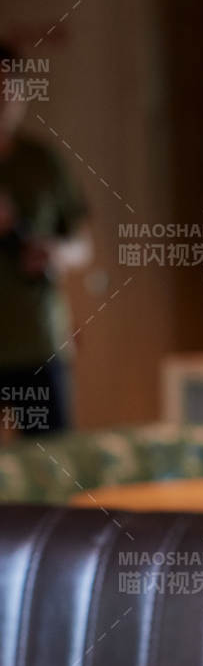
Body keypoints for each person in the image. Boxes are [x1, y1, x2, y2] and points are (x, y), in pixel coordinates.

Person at [0, 41, 92, 437]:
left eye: (10, 86)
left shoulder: (43, 160)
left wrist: (53, 252)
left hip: (37, 342)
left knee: (54, 466)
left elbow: (83, 245)